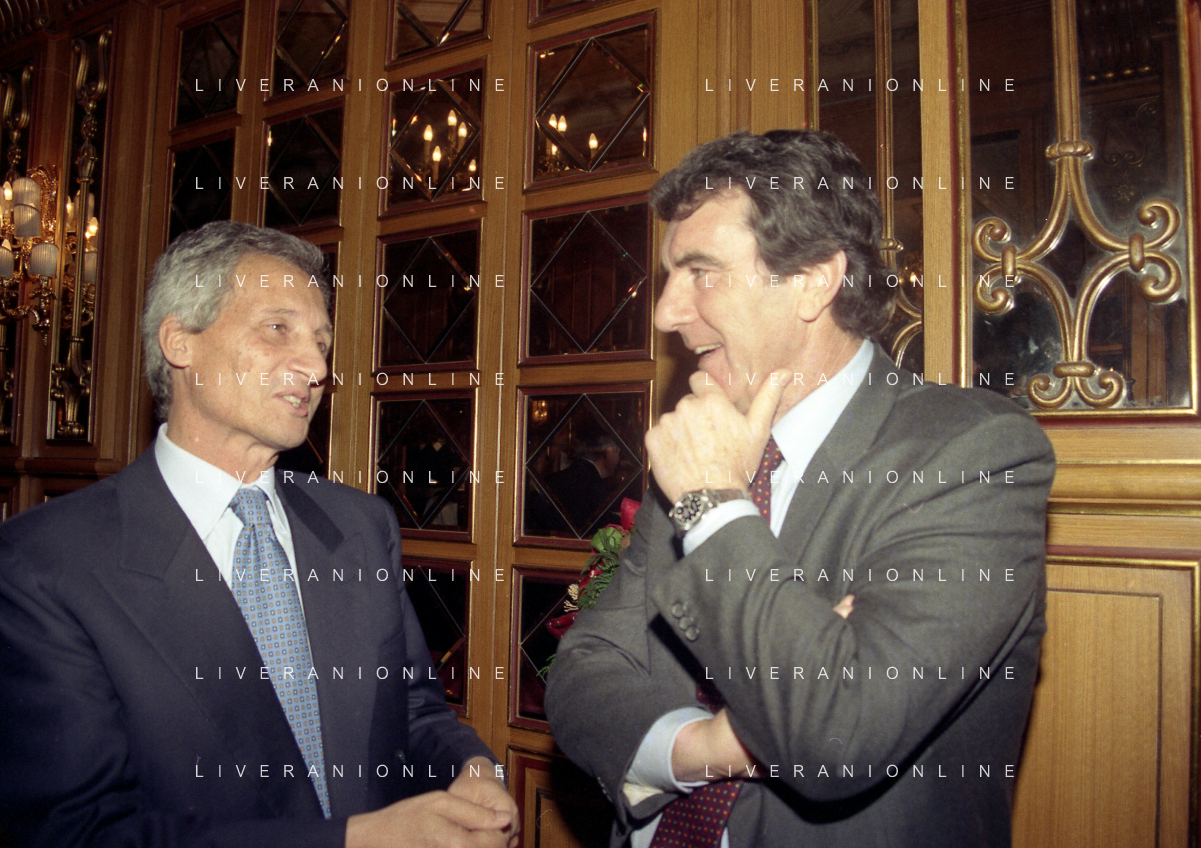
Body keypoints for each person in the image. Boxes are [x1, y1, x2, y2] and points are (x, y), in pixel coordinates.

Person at [544, 130, 1055, 848]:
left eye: (701, 272)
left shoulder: (971, 454)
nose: (665, 312)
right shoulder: (701, 447)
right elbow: (581, 673)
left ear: (815, 280)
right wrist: (706, 748)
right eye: (669, 276)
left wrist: (714, 505)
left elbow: (838, 730)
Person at [0, 222, 519, 848]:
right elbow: (77, 833)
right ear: (180, 342)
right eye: (278, 329)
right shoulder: (44, 565)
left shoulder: (360, 527)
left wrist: (472, 769)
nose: (317, 367)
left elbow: (413, 709)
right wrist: (353, 841)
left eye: (322, 343)